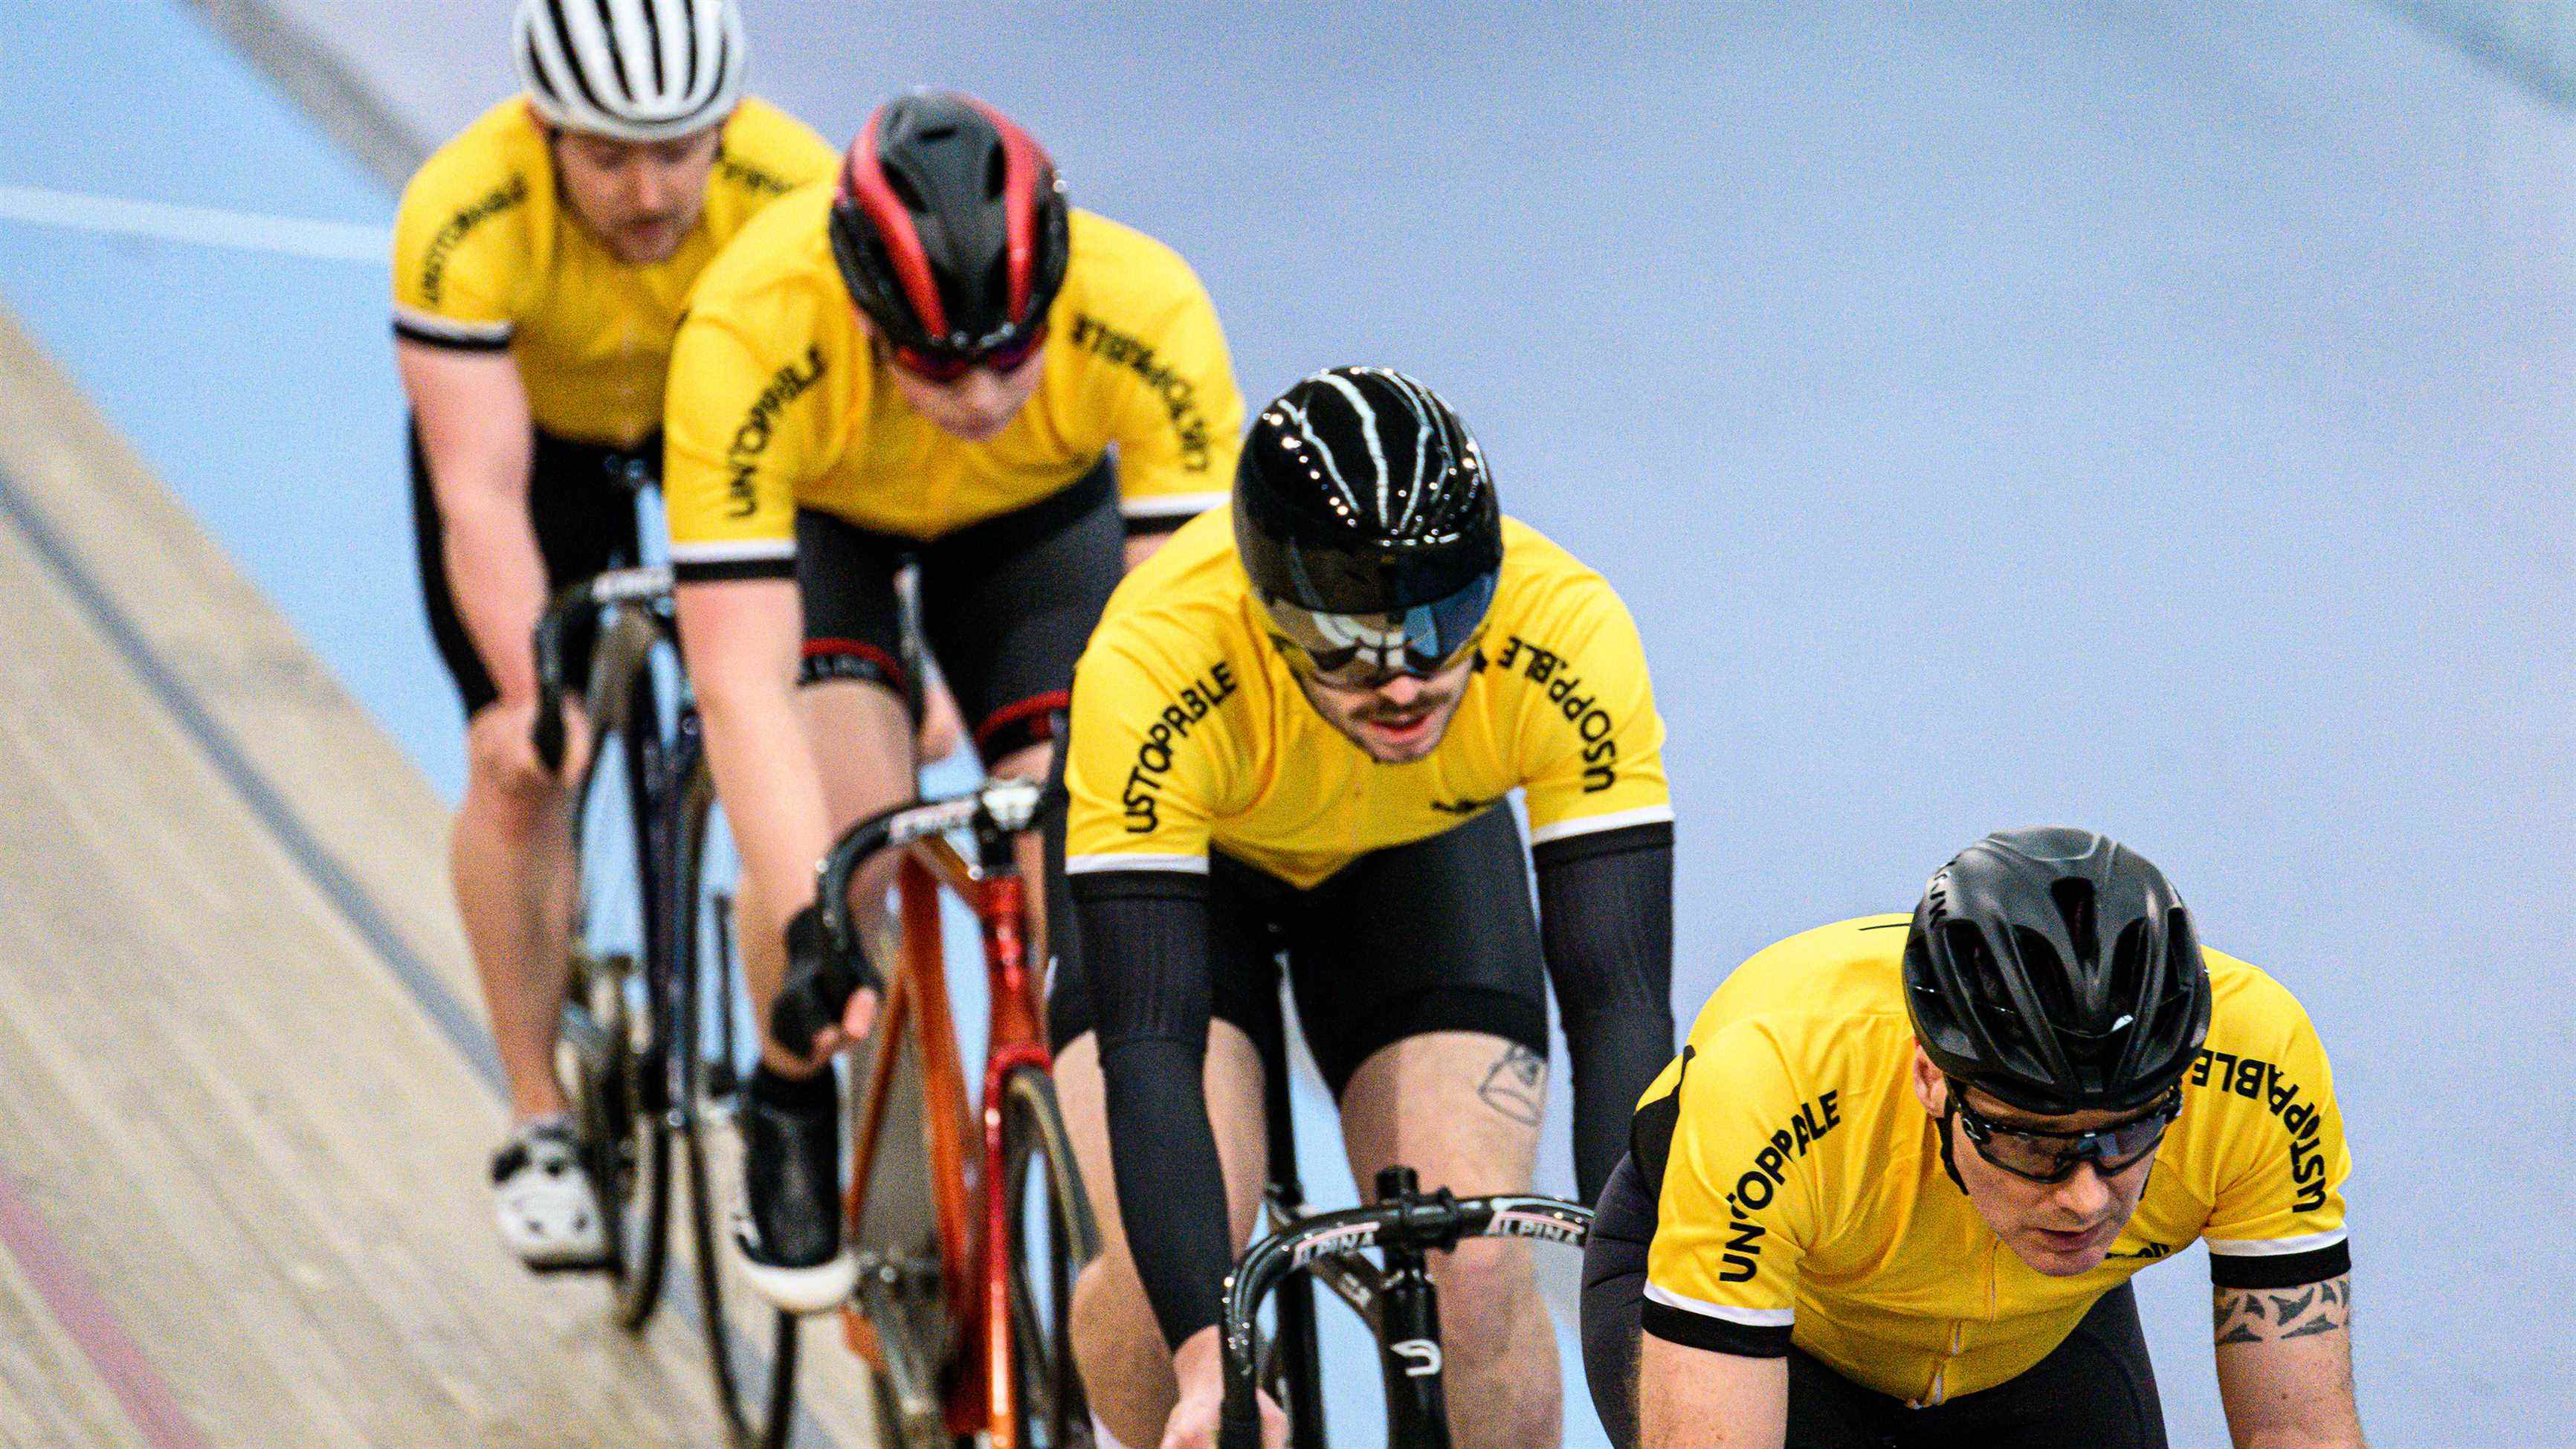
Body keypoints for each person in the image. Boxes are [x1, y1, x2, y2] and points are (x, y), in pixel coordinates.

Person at [660, 90, 1245, 1311]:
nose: (980, 396)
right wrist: (815, 903)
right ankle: (788, 1085)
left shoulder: (1149, 309)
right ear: (865, 309)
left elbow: (1179, 657)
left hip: (1032, 530)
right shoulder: (748, 327)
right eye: (937, 363)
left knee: (1085, 848)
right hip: (833, 525)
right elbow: (740, 681)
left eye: (1009, 355)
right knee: (851, 851)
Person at [1048, 367, 1679, 1449]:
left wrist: (1655, 1312)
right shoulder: (1154, 655)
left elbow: (1616, 1007)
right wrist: (1213, 1366)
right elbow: (1150, 1047)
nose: (1402, 684)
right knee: (1176, 1318)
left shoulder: (1566, 628)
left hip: (1413, 857)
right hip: (1197, 878)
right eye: (1344, 648)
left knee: (1477, 1265)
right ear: (1268, 612)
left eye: (1444, 625)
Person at [389, 0, 834, 1269]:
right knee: (523, 767)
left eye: (683, 148)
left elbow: (850, 458)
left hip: (726, 443)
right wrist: (534, 691)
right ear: (543, 129)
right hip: (543, 452)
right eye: (608, 155)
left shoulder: (798, 190)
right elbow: (476, 486)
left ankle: (783, 1082)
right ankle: (536, 1113)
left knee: (807, 753)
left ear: (729, 126)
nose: (651, 190)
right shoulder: (463, 212)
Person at [1581, 827, 2363, 1449]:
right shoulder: (1779, 1085)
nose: (2086, 1195)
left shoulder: (2260, 1071)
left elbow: (2297, 1429)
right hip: (1796, 1326)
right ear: (1930, 1075)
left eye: (2128, 1129)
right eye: (2028, 1140)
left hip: (2036, 1330)